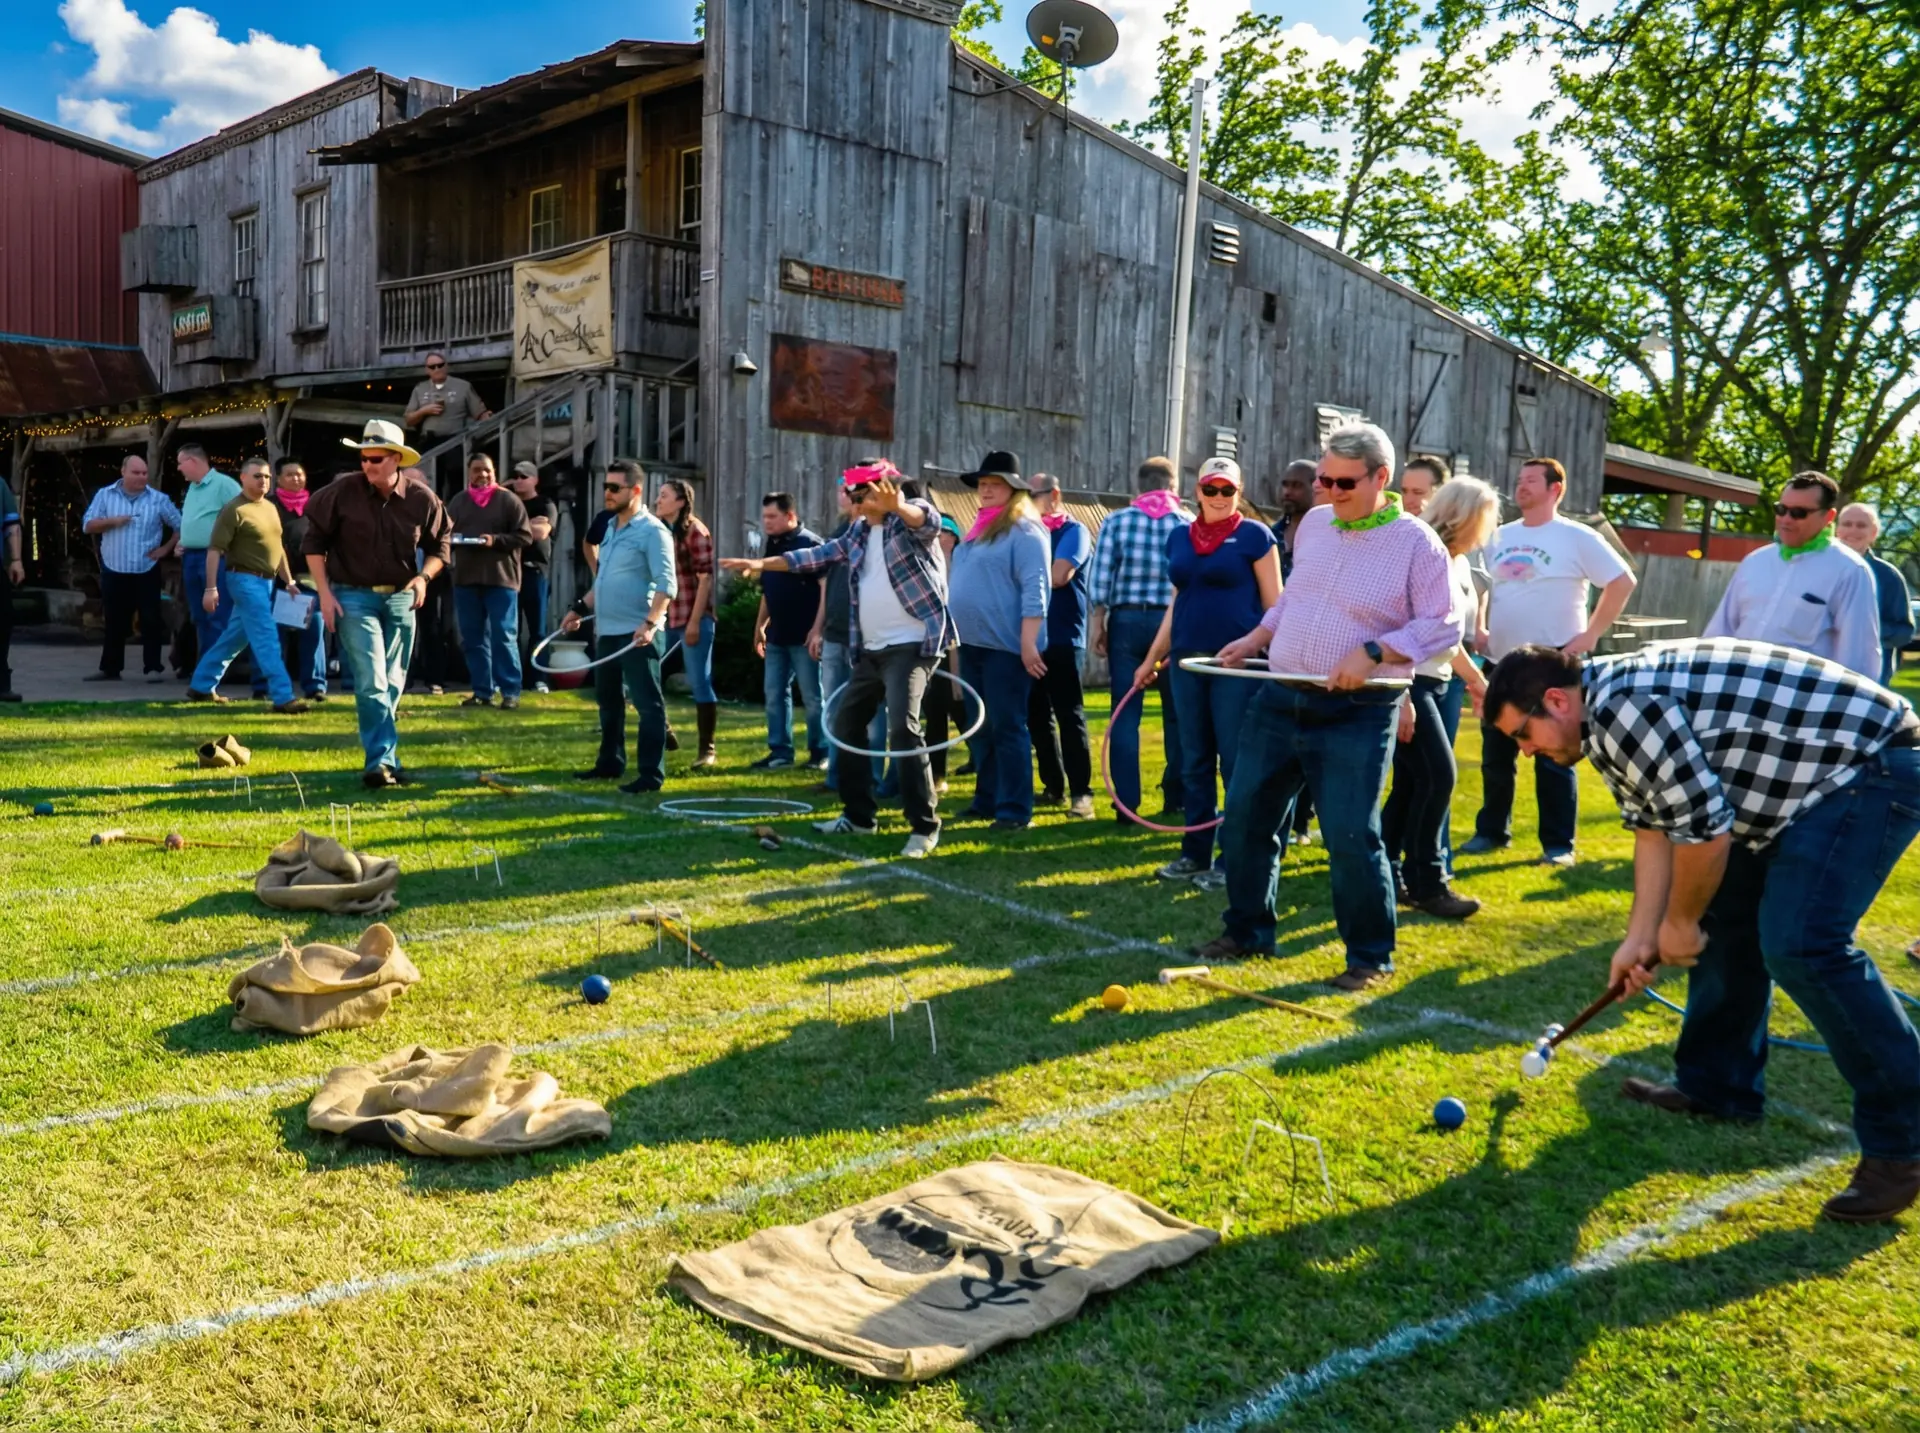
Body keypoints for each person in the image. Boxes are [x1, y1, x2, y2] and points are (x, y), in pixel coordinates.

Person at [1484, 639, 1920, 1222]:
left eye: (1523, 735)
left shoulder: (1622, 709)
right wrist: (1642, 936)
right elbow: (1655, 830)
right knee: (1727, 918)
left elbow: (1707, 830)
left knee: (1802, 944)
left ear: (1556, 701)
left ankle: (1904, 1146)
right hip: (1807, 790)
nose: (1527, 751)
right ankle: (1718, 1086)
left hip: (1870, 767)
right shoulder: (1602, 720)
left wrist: (1680, 923)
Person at [1197, 422, 1458, 991]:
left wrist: (1376, 652)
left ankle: (1368, 956)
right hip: (1280, 697)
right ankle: (1246, 931)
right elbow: (1297, 596)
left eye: (1343, 483)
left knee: (1349, 835)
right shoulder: (1314, 525)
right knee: (1244, 820)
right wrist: (1257, 638)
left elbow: (1444, 623)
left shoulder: (1418, 543)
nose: (1330, 493)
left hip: (1358, 712)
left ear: (1380, 479)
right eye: (1323, 480)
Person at [723, 465, 952, 858]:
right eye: (854, 496)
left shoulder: (910, 519)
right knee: (845, 723)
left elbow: (925, 520)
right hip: (871, 649)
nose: (856, 503)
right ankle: (860, 817)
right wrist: (763, 565)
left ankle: (924, 826)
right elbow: (818, 555)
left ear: (885, 491)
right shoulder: (859, 532)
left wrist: (900, 507)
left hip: (913, 645)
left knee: (903, 726)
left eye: (862, 496)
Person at [1463, 456, 1636, 867]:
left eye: (1530, 481)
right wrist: (1481, 627)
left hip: (1551, 663)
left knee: (1554, 757)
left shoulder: (1576, 537)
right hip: (1500, 661)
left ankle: (1559, 845)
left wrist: (1591, 634)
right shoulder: (1498, 535)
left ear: (1555, 489)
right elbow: (1479, 585)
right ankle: (1491, 832)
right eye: (1519, 480)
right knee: (1496, 755)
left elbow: (1622, 580)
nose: (1520, 487)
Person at [1133, 456, 1280, 889]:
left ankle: (1233, 858)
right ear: (1197, 491)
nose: (1218, 497)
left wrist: (1268, 649)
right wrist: (1151, 658)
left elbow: (1276, 604)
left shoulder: (1255, 536)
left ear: (1239, 492)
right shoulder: (1179, 537)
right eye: (1210, 489)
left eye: (1227, 490)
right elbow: (1178, 601)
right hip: (1186, 660)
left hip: (1237, 664)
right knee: (1193, 759)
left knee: (1234, 761)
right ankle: (1194, 853)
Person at [303, 420, 451, 789]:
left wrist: (423, 578)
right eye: (364, 457)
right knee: (371, 680)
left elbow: (441, 548)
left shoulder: (422, 499)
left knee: (394, 683)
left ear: (397, 459)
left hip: (403, 596)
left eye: (376, 458)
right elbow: (313, 543)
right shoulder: (340, 492)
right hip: (353, 595)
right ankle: (381, 762)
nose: (367, 464)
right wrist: (324, 593)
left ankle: (386, 757)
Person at [1380, 475, 1499, 918]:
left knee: (1412, 785)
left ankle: (1390, 874)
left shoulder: (1462, 563)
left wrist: (1474, 679)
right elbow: (1396, 624)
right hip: (1410, 682)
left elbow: (1449, 637)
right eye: (1484, 519)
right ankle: (1428, 882)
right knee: (1438, 777)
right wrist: (1404, 695)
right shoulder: (1424, 555)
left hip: (1437, 679)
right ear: (1464, 516)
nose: (1487, 530)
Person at [948, 450, 1051, 831]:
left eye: (995, 484)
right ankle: (987, 798)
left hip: (1006, 648)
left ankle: (1014, 808)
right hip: (974, 645)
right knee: (981, 725)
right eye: (983, 484)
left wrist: (1028, 644)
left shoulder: (1025, 530)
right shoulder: (977, 530)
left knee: (1008, 725)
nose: (986, 489)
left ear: (1014, 489)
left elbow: (1035, 590)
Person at [561, 459, 675, 794]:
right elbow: (605, 582)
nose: (607, 494)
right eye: (606, 487)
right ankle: (610, 762)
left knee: (647, 704)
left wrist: (650, 623)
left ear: (636, 490)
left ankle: (650, 775)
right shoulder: (610, 529)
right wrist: (579, 609)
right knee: (608, 701)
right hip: (608, 631)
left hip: (638, 634)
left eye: (615, 488)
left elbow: (667, 584)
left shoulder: (653, 531)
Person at [1086, 456, 1190, 825]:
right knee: (1177, 715)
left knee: (1125, 714)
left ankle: (1126, 805)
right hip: (1172, 623)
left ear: (1140, 485)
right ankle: (1177, 797)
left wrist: (1098, 624)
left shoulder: (1116, 521)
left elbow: (1100, 576)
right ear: (1173, 486)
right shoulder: (1187, 524)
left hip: (1127, 618)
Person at [1703, 472, 1879, 681]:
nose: (1786, 519)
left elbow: (1858, 660)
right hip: (1736, 692)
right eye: (1781, 509)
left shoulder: (1849, 571)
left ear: (1828, 517)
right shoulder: (1755, 562)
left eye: (1798, 513)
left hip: (1800, 705)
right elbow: (1720, 632)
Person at [184, 459, 309, 713]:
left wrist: (290, 581)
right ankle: (283, 697)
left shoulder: (270, 508)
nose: (262, 481)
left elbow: (278, 547)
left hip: (268, 582)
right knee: (266, 637)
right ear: (242, 478)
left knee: (234, 639)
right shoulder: (233, 510)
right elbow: (214, 551)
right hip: (244, 580)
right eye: (256, 477)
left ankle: (201, 685)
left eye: (266, 477)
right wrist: (211, 589)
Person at [810, 479, 889, 794]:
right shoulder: (841, 531)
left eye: (851, 489)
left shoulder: (884, 530)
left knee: (872, 711)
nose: (842, 493)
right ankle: (836, 776)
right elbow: (826, 582)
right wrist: (818, 627)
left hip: (867, 637)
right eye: (843, 488)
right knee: (834, 706)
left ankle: (872, 778)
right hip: (834, 633)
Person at [1025, 473, 1095, 818]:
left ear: (1054, 495)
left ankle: (1082, 794)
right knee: (1037, 718)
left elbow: (1059, 575)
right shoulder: (1027, 533)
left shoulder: (1074, 532)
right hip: (1031, 640)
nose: (1026, 503)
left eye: (1032, 495)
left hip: (1064, 639)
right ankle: (1053, 787)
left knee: (1070, 717)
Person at [81, 454, 182, 683]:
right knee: (115, 620)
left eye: (144, 473)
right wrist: (112, 522)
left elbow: (181, 526)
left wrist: (165, 549)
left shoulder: (158, 499)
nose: (141, 477)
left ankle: (153, 668)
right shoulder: (105, 495)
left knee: (150, 619)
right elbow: (88, 525)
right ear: (123, 472)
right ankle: (110, 668)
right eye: (136, 473)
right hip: (114, 567)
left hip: (146, 568)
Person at [445, 454, 533, 709]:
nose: (481, 475)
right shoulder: (459, 502)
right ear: (468, 472)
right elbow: (445, 533)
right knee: (472, 638)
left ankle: (510, 692)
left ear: (494, 472)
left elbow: (525, 536)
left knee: (503, 635)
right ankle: (482, 691)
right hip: (465, 578)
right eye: (476, 470)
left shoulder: (508, 500)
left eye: (486, 470)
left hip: (501, 579)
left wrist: (496, 540)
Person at [751, 492, 827, 770]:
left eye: (772, 517)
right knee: (773, 693)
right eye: (764, 517)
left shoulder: (811, 545)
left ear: (790, 516)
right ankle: (780, 751)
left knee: (813, 697)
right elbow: (768, 589)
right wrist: (761, 625)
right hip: (777, 636)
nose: (766, 522)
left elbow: (826, 589)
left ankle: (821, 752)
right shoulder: (773, 544)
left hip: (805, 637)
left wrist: (818, 630)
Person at [652, 477, 719, 768]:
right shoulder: (657, 530)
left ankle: (708, 750)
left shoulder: (696, 531)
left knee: (700, 683)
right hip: (666, 617)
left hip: (693, 617)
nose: (658, 500)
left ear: (680, 501)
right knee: (650, 674)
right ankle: (664, 730)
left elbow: (706, 579)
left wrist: (694, 623)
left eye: (665, 496)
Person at [265, 459, 328, 701]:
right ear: (278, 479)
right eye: (290, 475)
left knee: (314, 630)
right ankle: (273, 686)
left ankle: (315, 686)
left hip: (308, 580)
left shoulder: (315, 507)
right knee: (275, 637)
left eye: (299, 474)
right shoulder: (268, 506)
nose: (296, 479)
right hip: (275, 581)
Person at [174, 444, 242, 666]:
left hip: (215, 558)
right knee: (199, 616)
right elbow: (197, 520)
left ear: (192, 461)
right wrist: (183, 541)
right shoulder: (193, 487)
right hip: (191, 557)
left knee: (217, 615)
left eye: (180, 462)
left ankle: (214, 670)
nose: (178, 468)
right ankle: (204, 667)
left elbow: (244, 517)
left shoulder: (225, 485)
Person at [1835, 502, 1913, 685]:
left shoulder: (1889, 577)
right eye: (1847, 524)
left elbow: (1904, 632)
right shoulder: (1820, 567)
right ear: (1837, 529)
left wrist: (1863, 630)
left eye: (1861, 525)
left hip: (1869, 681)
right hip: (1820, 674)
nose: (1853, 530)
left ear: (1874, 533)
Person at [403, 353, 491, 488]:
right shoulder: (420, 389)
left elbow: (479, 413)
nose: (437, 369)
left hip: (455, 441)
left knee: (456, 481)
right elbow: (408, 420)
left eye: (440, 365)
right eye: (432, 367)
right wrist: (424, 411)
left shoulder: (463, 386)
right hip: (430, 441)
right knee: (429, 482)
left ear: (446, 366)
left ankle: (454, 507)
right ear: (427, 370)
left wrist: (488, 419)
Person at [509, 462, 557, 692]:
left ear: (535, 480)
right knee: (511, 629)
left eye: (524, 476)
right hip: (509, 572)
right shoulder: (508, 502)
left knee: (537, 628)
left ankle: (538, 679)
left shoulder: (545, 503)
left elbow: (541, 532)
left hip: (535, 571)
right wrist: (530, 524)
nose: (519, 480)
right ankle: (512, 679)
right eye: (515, 476)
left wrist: (514, 529)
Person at [1273, 458, 1317, 583]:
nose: (1287, 492)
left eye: (1297, 486)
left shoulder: (1326, 538)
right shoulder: (1272, 535)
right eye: (1285, 485)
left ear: (1316, 488)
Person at [0, 470, 23, 701]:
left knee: (3, 621)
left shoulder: (0, 485)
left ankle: (2, 685)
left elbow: (11, 524)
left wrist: (16, 560)